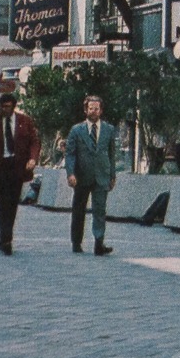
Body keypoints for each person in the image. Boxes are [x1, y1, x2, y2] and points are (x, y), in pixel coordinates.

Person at [0, 92, 40, 255]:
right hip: (0, 167)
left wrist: (32, 159)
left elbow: (34, 141)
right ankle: (4, 238)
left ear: (13, 106)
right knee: (2, 202)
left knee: (12, 203)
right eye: (3, 107)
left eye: (8, 106)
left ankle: (7, 237)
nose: (5, 109)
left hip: (17, 167)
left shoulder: (24, 121)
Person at [63, 94, 118, 255]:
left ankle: (99, 243)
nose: (94, 111)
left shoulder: (108, 129)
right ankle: (76, 242)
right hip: (81, 176)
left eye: (97, 108)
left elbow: (111, 154)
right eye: (91, 108)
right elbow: (70, 153)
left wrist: (112, 175)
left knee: (100, 210)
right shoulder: (76, 130)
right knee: (79, 209)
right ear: (85, 110)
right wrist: (70, 173)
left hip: (102, 175)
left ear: (101, 111)